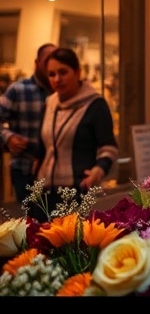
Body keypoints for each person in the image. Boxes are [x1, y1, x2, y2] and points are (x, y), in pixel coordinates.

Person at [30, 47, 118, 222]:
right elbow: (43, 146)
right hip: (44, 195)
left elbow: (109, 148)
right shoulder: (49, 103)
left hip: (76, 193)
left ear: (77, 72)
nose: (57, 79)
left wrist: (97, 170)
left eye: (63, 72)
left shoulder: (95, 104)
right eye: (52, 74)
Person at [0, 43, 57, 204]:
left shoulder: (62, 90)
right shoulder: (18, 90)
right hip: (25, 169)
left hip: (58, 173)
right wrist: (8, 137)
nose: (51, 66)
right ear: (37, 63)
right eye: (47, 61)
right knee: (29, 224)